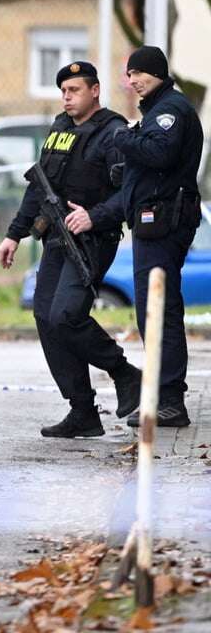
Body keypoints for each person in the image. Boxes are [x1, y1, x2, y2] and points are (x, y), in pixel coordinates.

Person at [0, 61, 142, 438]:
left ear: (94, 91)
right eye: (63, 91)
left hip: (93, 240)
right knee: (45, 317)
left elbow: (131, 193)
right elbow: (39, 185)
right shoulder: (59, 129)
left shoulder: (113, 133)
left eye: (74, 90)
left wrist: (95, 216)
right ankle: (83, 411)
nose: (66, 97)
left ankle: (125, 373)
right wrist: (14, 234)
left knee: (65, 315)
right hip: (57, 239)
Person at [110, 46, 202, 428]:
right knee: (154, 309)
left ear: (157, 73)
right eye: (129, 75)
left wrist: (122, 138)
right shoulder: (158, 111)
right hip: (153, 223)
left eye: (138, 74)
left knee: (160, 309)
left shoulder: (170, 111)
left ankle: (169, 401)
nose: (132, 81)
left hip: (164, 224)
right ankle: (161, 396)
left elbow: (159, 154)